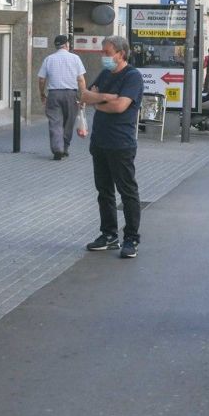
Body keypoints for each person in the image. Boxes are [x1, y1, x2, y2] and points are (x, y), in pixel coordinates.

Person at [80, 36, 145, 259]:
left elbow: (120, 106)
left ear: (121, 53)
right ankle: (109, 235)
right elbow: (85, 96)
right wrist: (106, 97)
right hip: (100, 142)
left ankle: (131, 238)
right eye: (103, 52)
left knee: (127, 192)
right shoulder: (107, 74)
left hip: (121, 143)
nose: (103, 57)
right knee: (104, 191)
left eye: (107, 53)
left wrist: (99, 101)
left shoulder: (132, 76)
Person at [37, 35, 87, 160]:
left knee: (55, 122)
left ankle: (57, 148)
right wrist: (83, 97)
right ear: (66, 45)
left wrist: (42, 94)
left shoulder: (49, 59)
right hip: (71, 94)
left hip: (53, 94)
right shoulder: (75, 58)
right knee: (69, 122)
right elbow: (81, 79)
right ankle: (64, 147)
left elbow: (42, 79)